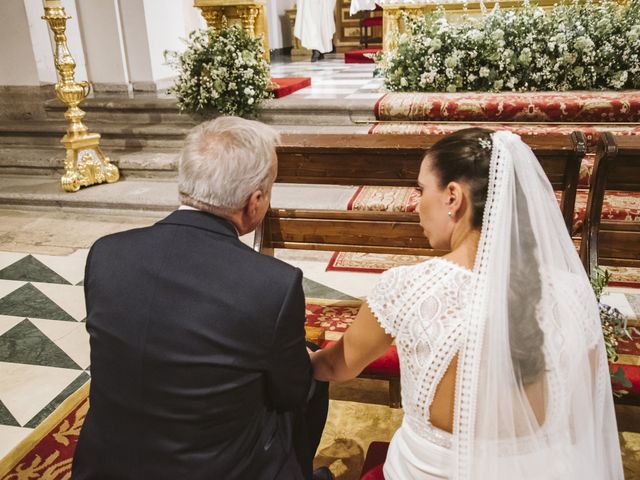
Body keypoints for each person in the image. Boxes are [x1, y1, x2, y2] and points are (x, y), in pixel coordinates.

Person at [311, 128, 624, 479]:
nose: (416, 205)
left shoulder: (406, 288)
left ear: (453, 197)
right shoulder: (574, 294)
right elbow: (583, 416)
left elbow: (335, 368)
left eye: (421, 190)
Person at [71, 117, 332, 480]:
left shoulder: (106, 253)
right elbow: (289, 392)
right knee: (311, 376)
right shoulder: (274, 284)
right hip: (214, 470)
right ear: (254, 201)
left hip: (102, 466)